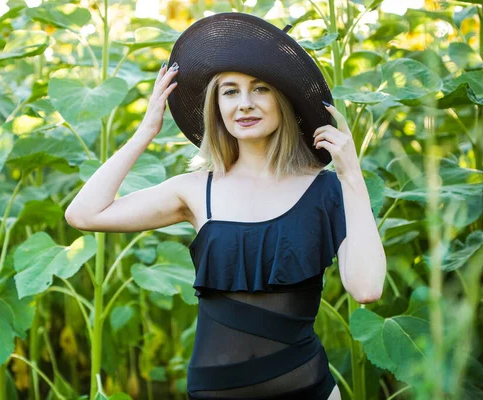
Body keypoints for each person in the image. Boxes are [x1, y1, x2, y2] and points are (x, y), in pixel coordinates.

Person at [65, 12, 386, 400]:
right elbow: (84, 214)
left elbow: (367, 289)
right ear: (216, 106)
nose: (245, 104)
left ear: (282, 100)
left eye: (260, 89)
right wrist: (145, 131)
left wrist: (352, 177)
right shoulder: (196, 190)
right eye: (230, 91)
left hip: (310, 391)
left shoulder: (326, 191)